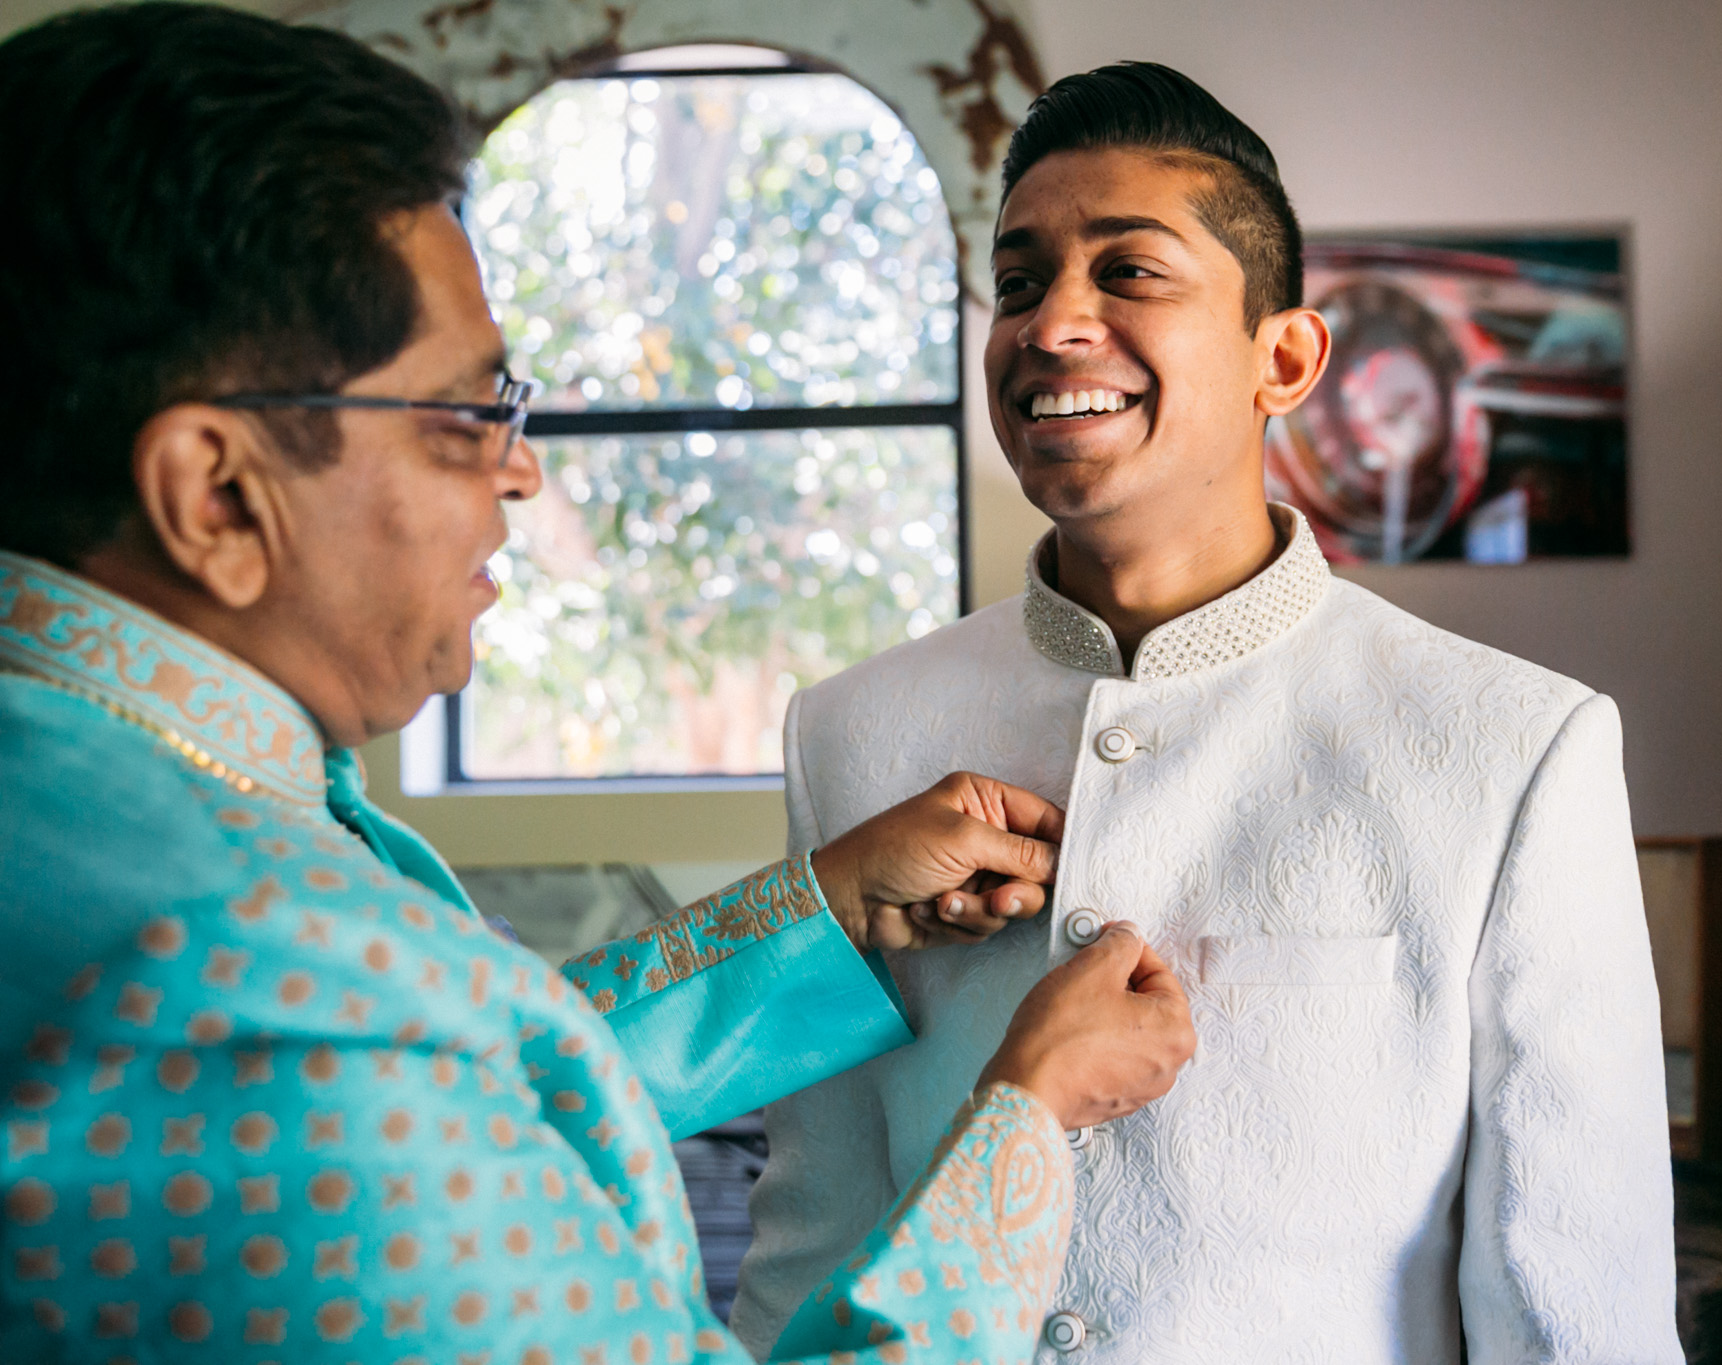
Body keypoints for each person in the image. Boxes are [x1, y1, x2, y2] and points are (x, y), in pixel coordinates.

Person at [0, 8, 1197, 1362]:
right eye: (469, 412)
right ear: (216, 493)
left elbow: (484, 1089)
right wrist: (1026, 1115)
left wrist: (825, 913)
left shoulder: (89, 788)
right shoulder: (259, 980)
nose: (522, 471)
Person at [735, 63, 1684, 1364]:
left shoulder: (1517, 746)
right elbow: (813, 1238)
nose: (1052, 322)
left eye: (1128, 272)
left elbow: (1579, 1315)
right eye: (1017, 282)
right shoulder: (850, 732)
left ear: (1281, 356)